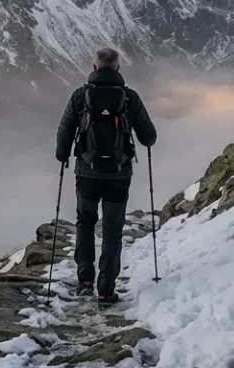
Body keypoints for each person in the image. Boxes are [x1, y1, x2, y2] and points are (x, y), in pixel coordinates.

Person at [54, 47, 157, 305]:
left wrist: (62, 155)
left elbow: (65, 130)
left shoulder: (80, 96)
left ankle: (85, 280)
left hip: (87, 173)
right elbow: (149, 136)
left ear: (94, 67)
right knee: (113, 230)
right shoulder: (129, 98)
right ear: (118, 68)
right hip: (119, 175)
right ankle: (105, 289)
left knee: (85, 222)